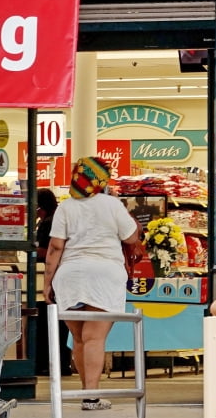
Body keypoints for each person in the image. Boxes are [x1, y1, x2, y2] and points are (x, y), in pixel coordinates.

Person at [43, 157, 140, 411]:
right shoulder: (112, 204)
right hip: (104, 274)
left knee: (79, 337)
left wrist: (47, 283)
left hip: (70, 274)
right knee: (94, 337)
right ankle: (91, 396)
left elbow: (55, 248)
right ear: (101, 180)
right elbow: (131, 237)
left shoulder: (65, 207)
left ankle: (89, 393)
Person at [35, 188, 72, 376]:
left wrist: (31, 248)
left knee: (46, 323)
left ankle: (48, 363)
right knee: (61, 324)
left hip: (50, 276)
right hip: (64, 276)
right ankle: (62, 362)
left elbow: (47, 250)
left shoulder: (47, 223)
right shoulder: (58, 218)